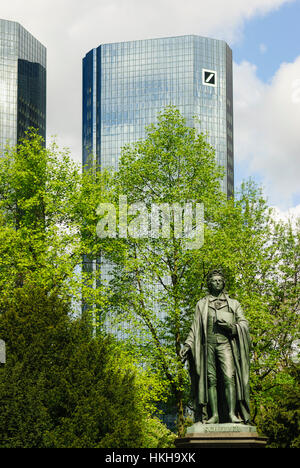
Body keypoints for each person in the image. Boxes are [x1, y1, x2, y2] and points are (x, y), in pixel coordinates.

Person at [181, 269, 251, 424]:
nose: (217, 283)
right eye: (214, 280)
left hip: (226, 345)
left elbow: (244, 324)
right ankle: (214, 415)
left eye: (220, 280)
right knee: (210, 380)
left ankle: (232, 414)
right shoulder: (201, 304)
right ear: (209, 284)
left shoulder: (233, 304)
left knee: (228, 378)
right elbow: (195, 327)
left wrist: (232, 327)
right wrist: (187, 345)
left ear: (223, 283)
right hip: (208, 346)